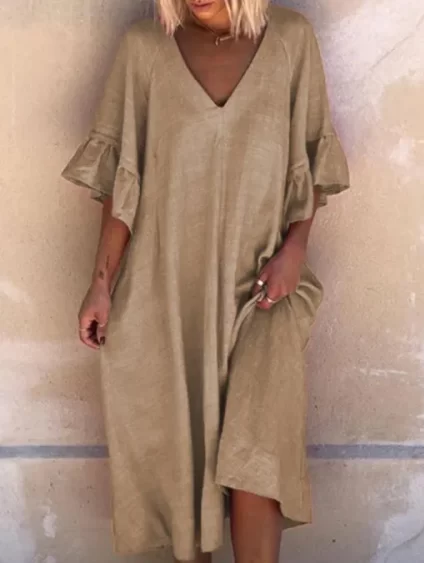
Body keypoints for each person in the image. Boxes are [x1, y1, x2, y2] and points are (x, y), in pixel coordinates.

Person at [61, 1, 349, 562]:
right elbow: (122, 183)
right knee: (183, 469)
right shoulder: (144, 50)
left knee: (257, 458)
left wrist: (296, 249)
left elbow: (312, 157)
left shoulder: (290, 40)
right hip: (167, 293)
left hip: (264, 289)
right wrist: (100, 283)